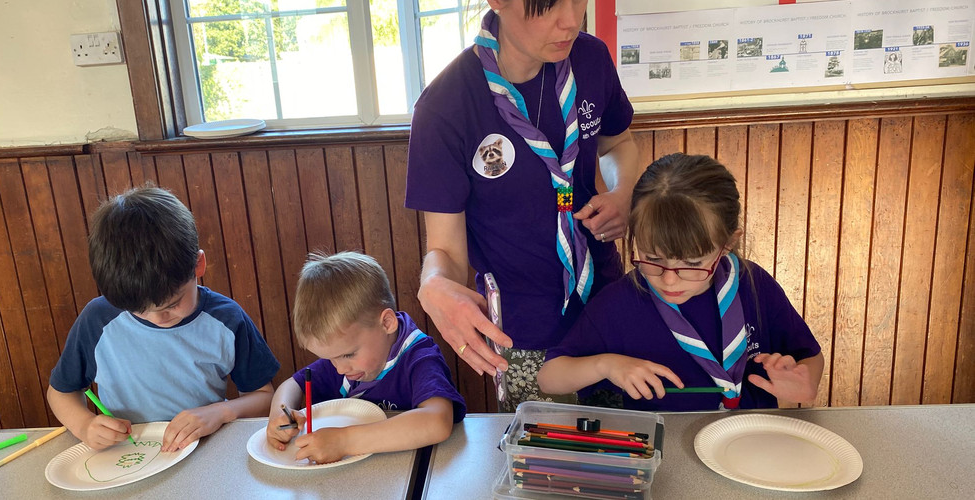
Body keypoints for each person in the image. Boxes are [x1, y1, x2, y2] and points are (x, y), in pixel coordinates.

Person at [405, 0, 640, 410]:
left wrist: (622, 193)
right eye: (547, 5)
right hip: (524, 332)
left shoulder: (591, 59)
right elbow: (446, 251)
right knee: (543, 449)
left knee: (624, 440)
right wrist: (433, 284)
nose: (571, 21)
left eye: (578, 0)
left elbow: (618, 143)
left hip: (609, 306)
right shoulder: (445, 106)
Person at [537, 153, 824, 411]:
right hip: (661, 445)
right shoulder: (619, 302)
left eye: (693, 263)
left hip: (753, 439)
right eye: (653, 258)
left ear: (727, 243)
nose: (669, 280)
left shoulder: (754, 284)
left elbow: (810, 357)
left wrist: (806, 381)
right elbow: (549, 377)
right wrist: (606, 365)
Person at [47, 186, 280, 450]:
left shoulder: (226, 319)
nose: (158, 318)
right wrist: (84, 425)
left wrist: (220, 412)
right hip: (127, 456)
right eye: (139, 310)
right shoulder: (98, 320)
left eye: (173, 304)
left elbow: (263, 397)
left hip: (204, 450)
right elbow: (60, 393)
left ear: (198, 265)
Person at [265, 252, 466, 464]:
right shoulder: (344, 357)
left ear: (387, 323)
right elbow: (291, 385)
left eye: (348, 355)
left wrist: (343, 441)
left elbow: (437, 421)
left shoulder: (419, 357)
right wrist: (281, 415)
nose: (340, 369)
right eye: (331, 359)